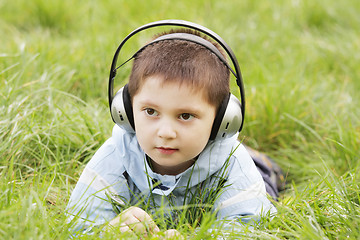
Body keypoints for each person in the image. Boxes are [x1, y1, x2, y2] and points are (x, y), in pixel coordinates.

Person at [66, 21, 283, 238]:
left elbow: (248, 229)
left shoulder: (233, 163)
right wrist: (110, 230)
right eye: (150, 111)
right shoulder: (116, 154)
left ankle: (262, 162)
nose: (166, 132)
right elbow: (78, 225)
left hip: (250, 172)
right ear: (126, 110)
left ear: (222, 120)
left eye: (185, 116)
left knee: (264, 181)